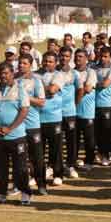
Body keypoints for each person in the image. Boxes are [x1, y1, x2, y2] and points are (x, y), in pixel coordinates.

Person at [0, 62, 32, 206]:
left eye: (5, 73)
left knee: (20, 168)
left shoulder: (20, 90)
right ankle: (0, 193)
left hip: (16, 136)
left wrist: (10, 128)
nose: (3, 76)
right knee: (0, 168)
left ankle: (25, 193)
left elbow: (24, 111)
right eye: (0, 73)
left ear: (12, 73)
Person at [16, 54, 47, 194]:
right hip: (17, 126)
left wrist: (25, 97)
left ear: (30, 65)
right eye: (20, 63)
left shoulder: (36, 81)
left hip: (32, 125)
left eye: (24, 63)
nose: (21, 65)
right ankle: (19, 185)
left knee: (37, 157)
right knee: (19, 157)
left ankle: (41, 184)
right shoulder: (13, 80)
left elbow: (41, 102)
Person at [36, 52, 67, 183]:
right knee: (38, 150)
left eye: (50, 61)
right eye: (45, 61)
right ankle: (38, 176)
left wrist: (38, 87)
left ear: (55, 63)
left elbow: (53, 90)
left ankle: (58, 175)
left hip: (54, 118)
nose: (47, 63)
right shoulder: (35, 74)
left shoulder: (59, 75)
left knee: (56, 149)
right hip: (37, 118)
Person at [73, 48, 98, 170]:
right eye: (76, 56)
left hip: (87, 111)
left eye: (81, 56)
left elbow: (87, 88)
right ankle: (73, 161)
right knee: (74, 139)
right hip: (73, 111)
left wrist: (77, 89)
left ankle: (89, 161)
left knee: (89, 138)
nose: (78, 59)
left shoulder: (91, 72)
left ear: (87, 59)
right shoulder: (71, 73)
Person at [92, 46, 111, 164]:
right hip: (93, 104)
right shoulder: (93, 68)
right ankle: (99, 152)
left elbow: (106, 84)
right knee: (97, 131)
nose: (102, 58)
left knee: (106, 131)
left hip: (106, 104)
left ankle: (106, 155)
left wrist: (93, 84)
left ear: (110, 57)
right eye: (101, 56)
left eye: (105, 56)